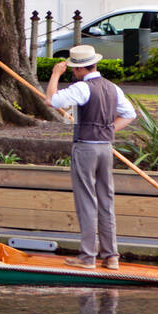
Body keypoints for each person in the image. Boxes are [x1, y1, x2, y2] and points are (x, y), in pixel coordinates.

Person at [45, 43, 136, 270]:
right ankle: (111, 256)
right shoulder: (113, 87)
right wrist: (108, 131)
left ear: (78, 69)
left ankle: (87, 257)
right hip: (105, 148)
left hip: (86, 148)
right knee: (106, 201)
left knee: (87, 201)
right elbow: (130, 114)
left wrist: (55, 74)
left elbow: (51, 100)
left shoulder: (82, 88)